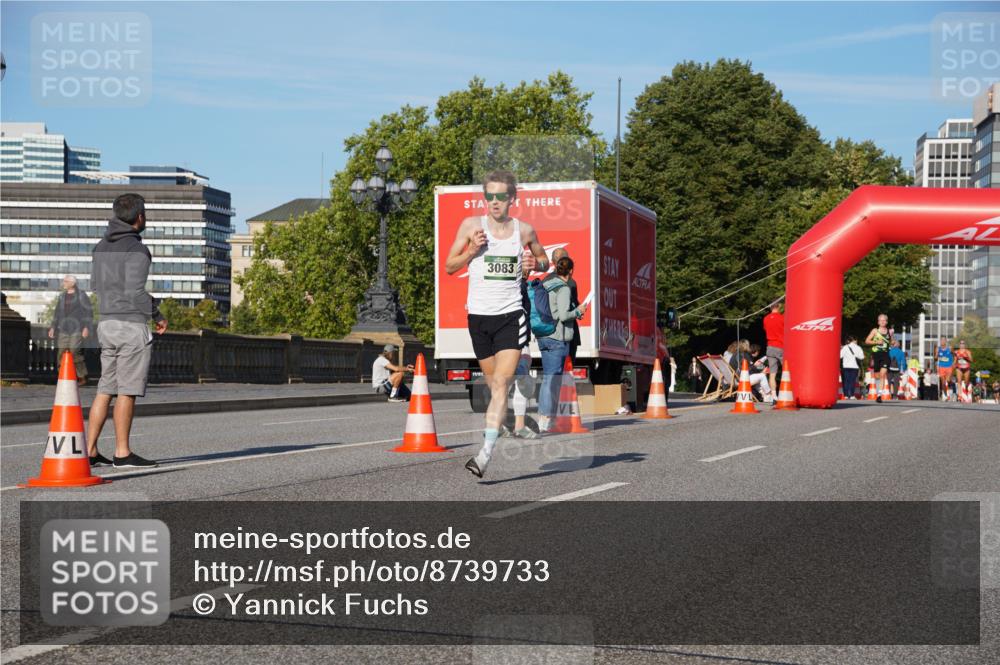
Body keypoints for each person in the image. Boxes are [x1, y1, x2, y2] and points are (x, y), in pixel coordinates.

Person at [445, 170, 549, 478]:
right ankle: (501, 422)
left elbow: (544, 259)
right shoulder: (471, 227)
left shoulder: (524, 230)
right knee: (493, 386)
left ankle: (484, 456)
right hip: (478, 318)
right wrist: (472, 252)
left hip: (511, 316)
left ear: (512, 199)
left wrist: (535, 264)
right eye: (489, 196)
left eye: (500, 196)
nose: (494, 202)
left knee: (501, 384)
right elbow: (450, 266)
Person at [86, 194, 167, 469]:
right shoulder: (137, 250)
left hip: (106, 322)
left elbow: (95, 285)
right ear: (139, 217)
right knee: (126, 391)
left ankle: (90, 450)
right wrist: (157, 314)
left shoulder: (99, 247)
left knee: (105, 389)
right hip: (130, 325)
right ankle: (122, 453)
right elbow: (135, 292)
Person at [537, 257, 588, 432]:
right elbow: (564, 316)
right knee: (551, 379)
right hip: (557, 337)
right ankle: (544, 418)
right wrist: (578, 311)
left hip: (543, 335)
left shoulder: (548, 284)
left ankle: (546, 417)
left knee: (548, 378)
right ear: (571, 271)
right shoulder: (564, 288)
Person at [47, 274, 93, 386]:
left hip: (77, 328)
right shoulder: (62, 296)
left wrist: (86, 327)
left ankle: (82, 376)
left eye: (66, 281)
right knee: (61, 353)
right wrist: (53, 327)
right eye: (64, 281)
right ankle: (63, 375)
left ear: (72, 283)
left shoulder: (82, 295)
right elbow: (57, 312)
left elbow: (88, 312)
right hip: (63, 328)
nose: (64, 283)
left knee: (74, 352)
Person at [545, 247, 580, 360]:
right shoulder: (569, 283)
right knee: (564, 373)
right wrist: (579, 311)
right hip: (564, 335)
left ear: (552, 262)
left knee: (550, 371)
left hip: (547, 333)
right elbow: (568, 310)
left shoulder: (545, 281)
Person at [864, 314, 893, 402]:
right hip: (876, 355)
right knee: (877, 376)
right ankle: (878, 391)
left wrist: (893, 342)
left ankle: (879, 395)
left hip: (885, 354)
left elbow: (891, 341)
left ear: (887, 322)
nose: (882, 322)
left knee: (882, 374)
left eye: (884, 320)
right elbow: (867, 341)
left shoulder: (890, 331)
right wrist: (876, 342)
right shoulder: (875, 331)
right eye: (880, 320)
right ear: (878, 322)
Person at [762, 301, 784, 395]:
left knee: (772, 373)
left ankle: (774, 397)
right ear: (779, 306)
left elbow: (766, 329)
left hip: (770, 347)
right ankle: (789, 393)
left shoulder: (766, 318)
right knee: (788, 371)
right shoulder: (782, 318)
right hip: (781, 346)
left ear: (770, 307)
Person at [840, 335, 864, 399]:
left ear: (849, 340)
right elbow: (862, 357)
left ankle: (846, 395)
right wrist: (855, 355)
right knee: (852, 381)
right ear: (855, 340)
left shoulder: (845, 347)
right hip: (854, 366)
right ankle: (852, 395)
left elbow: (840, 356)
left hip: (846, 366)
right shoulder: (858, 347)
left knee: (846, 381)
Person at [934, 336, 954, 402]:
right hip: (941, 367)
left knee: (948, 380)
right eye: (941, 340)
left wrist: (954, 363)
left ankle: (950, 390)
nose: (942, 341)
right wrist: (936, 357)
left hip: (949, 366)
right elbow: (935, 358)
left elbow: (954, 355)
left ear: (946, 341)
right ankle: (945, 395)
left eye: (944, 340)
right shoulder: (938, 348)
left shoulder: (950, 348)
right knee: (943, 382)